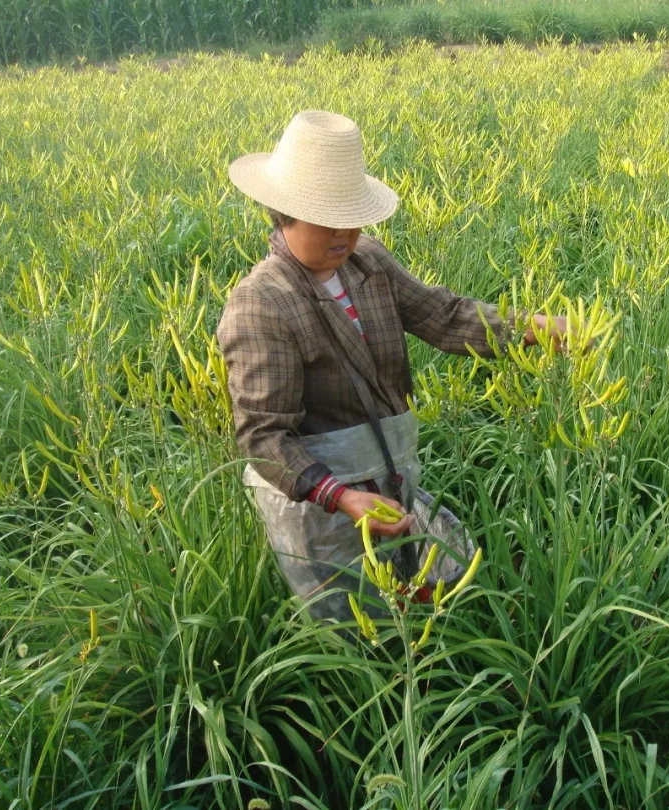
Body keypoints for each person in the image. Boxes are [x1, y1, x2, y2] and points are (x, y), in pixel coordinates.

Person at [217, 110, 565, 622]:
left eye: (352, 216)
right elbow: (264, 436)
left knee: (448, 575)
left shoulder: (369, 264)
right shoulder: (262, 303)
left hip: (390, 476)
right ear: (283, 212)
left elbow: (445, 318)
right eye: (327, 219)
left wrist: (533, 327)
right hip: (318, 501)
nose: (346, 233)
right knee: (362, 627)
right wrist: (340, 497)